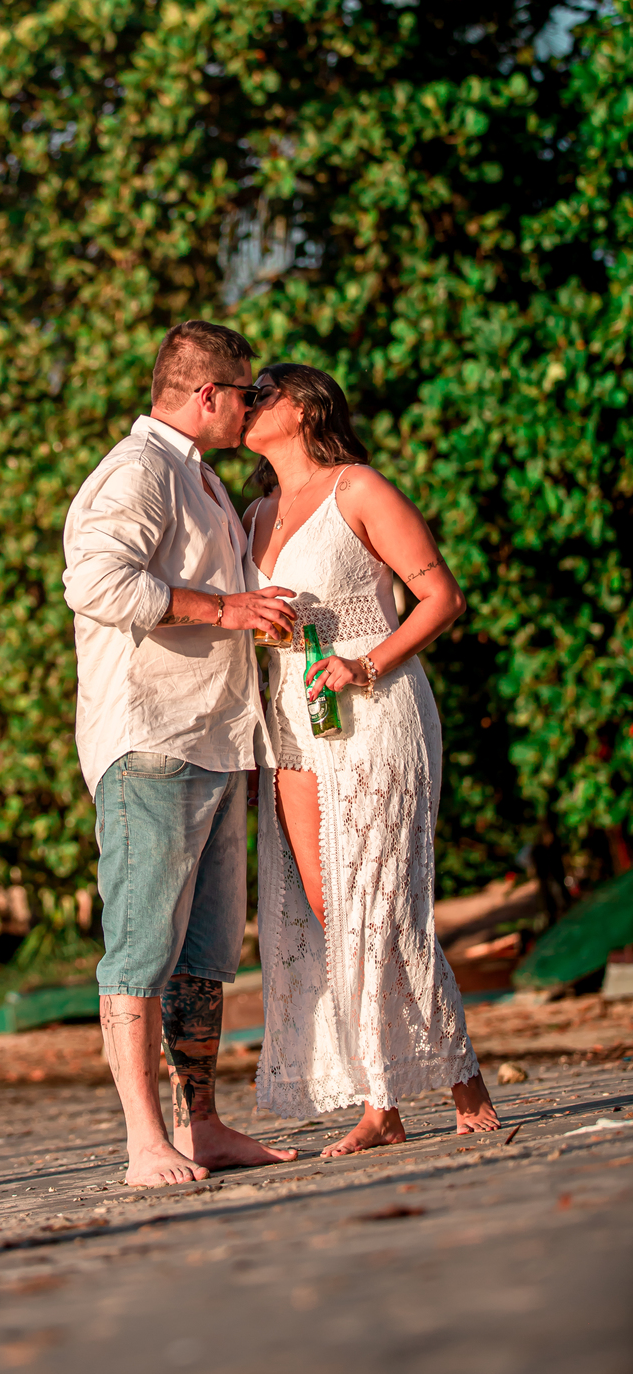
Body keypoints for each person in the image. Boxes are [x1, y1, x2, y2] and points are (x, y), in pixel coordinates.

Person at [62, 319, 300, 1186]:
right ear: (208, 396)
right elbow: (92, 582)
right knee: (140, 947)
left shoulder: (194, 478)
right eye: (246, 393)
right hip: (151, 740)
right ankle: (142, 1139)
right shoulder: (140, 471)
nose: (253, 406)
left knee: (206, 952)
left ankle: (201, 1124)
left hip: (215, 737)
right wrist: (223, 610)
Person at [241, 363, 499, 1154]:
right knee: (327, 913)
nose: (249, 404)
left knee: (380, 906)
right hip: (292, 715)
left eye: (264, 393)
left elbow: (441, 597)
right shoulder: (251, 513)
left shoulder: (359, 489)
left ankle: (466, 1086)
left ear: (307, 407)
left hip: (377, 707)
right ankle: (379, 1105)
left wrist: (365, 665)